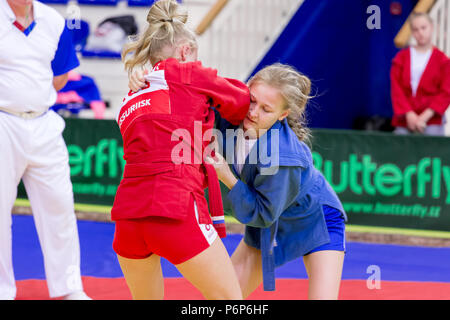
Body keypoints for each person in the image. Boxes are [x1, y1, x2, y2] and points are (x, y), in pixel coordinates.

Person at [111, 0, 250, 300]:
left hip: (128, 218)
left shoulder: (129, 97)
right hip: (174, 208)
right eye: (196, 57)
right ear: (186, 51)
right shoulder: (186, 73)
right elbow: (241, 103)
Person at [206, 64, 347, 300]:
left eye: (266, 109)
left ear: (282, 115)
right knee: (223, 299)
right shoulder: (231, 114)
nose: (253, 112)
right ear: (245, 89)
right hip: (268, 222)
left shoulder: (284, 156)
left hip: (315, 219)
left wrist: (227, 177)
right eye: (251, 100)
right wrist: (147, 80)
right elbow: (192, 92)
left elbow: (262, 212)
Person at [0, 0, 90, 300]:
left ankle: (68, 289)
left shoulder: (53, 20)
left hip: (43, 122)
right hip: (2, 121)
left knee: (60, 207)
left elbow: (60, 75)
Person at [390, 12, 450, 135]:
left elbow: (446, 92)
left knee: (433, 146)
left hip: (432, 118)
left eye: (423, 28)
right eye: (415, 29)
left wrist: (424, 117)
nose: (420, 33)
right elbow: (396, 89)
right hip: (405, 118)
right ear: (412, 32)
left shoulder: (442, 60)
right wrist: (409, 114)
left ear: (432, 28)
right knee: (399, 144)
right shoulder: (401, 58)